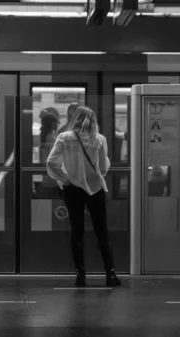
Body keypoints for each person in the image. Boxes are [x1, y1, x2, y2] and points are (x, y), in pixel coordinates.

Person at [46, 106, 121, 287]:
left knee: (77, 232)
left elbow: (51, 162)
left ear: (75, 119)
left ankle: (81, 276)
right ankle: (110, 274)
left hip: (73, 190)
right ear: (93, 120)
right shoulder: (100, 140)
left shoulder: (64, 138)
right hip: (95, 190)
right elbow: (103, 168)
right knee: (102, 232)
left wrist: (65, 179)